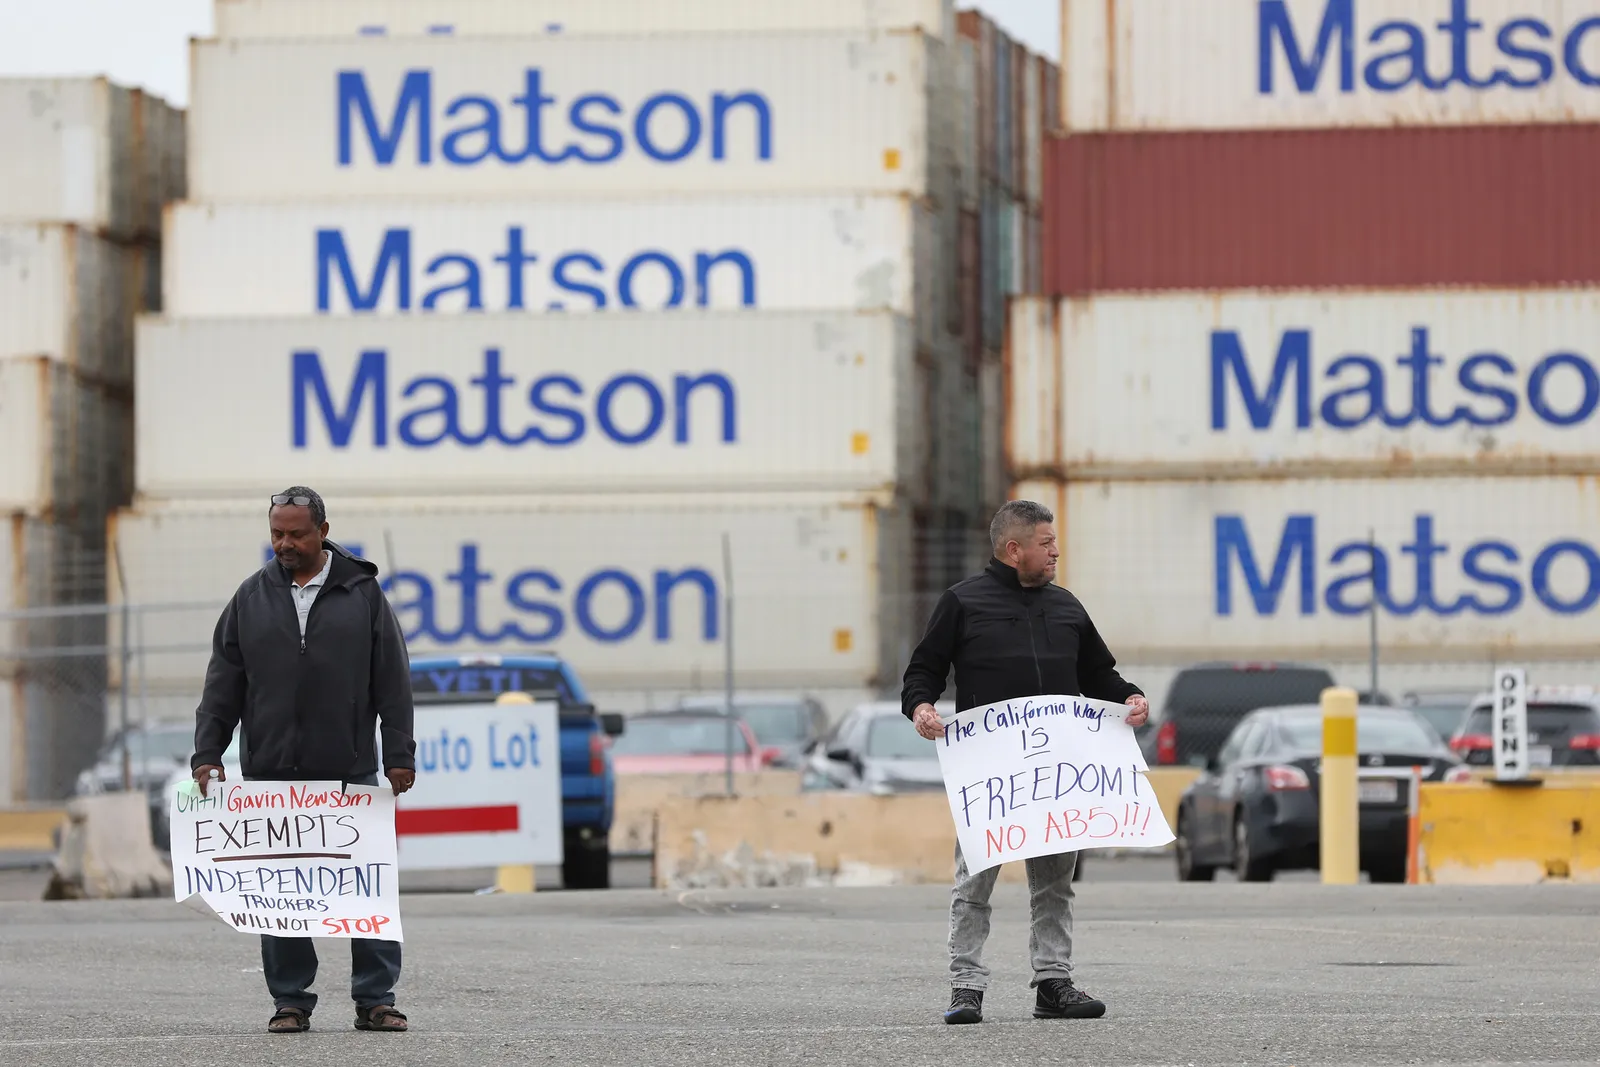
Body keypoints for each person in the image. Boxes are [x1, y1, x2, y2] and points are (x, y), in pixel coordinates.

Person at [901, 499, 1150, 1026]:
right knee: (974, 885)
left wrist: (1130, 697)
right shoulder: (962, 603)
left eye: (1054, 542)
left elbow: (1099, 674)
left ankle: (1053, 984)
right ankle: (966, 987)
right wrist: (921, 707)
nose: (1055, 550)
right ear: (1014, 550)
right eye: (1045, 543)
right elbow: (922, 670)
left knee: (1056, 882)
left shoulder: (1067, 607)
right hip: (990, 776)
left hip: (1059, 774)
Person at [191, 487, 418, 1035]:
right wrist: (208, 754)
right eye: (276, 534)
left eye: (296, 533)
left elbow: (392, 680)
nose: (284, 544)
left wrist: (399, 754)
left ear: (322, 531)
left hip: (351, 771)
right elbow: (223, 684)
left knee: (365, 887)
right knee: (283, 893)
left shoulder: (362, 595)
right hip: (272, 775)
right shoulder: (250, 597)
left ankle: (375, 999)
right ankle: (290, 1001)